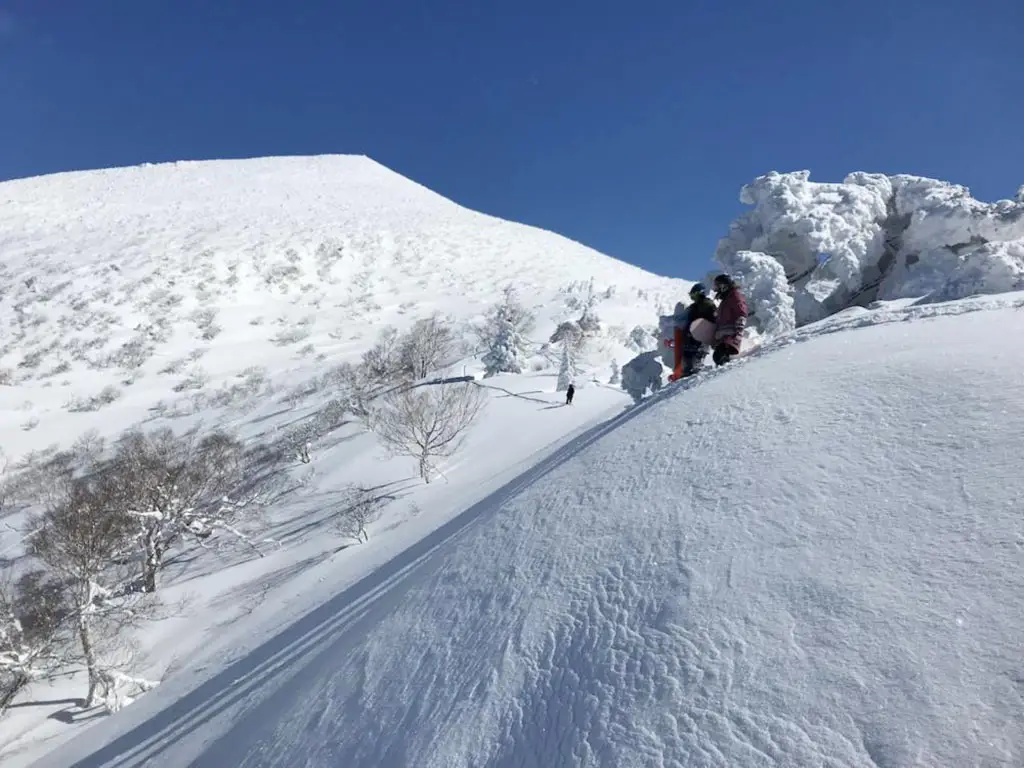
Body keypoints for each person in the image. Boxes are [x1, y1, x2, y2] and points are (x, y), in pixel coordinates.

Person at [680, 283, 717, 377]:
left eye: (694, 295)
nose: (692, 297)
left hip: (702, 336)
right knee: (687, 354)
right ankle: (688, 371)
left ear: (700, 293)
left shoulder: (707, 304)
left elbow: (713, 319)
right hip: (691, 336)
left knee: (698, 354)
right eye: (691, 295)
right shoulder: (693, 307)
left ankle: (698, 372)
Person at [711, 274, 748, 366]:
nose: (716, 289)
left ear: (724, 285)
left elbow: (741, 313)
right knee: (718, 357)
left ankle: (727, 376)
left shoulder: (735, 296)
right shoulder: (726, 299)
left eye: (718, 285)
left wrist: (738, 333)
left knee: (719, 357)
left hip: (731, 336)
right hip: (723, 337)